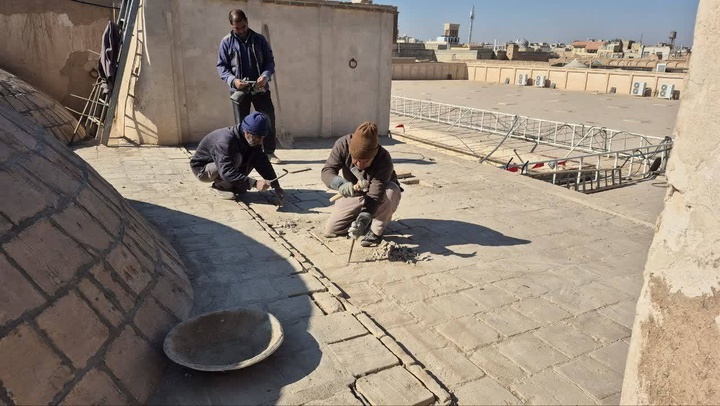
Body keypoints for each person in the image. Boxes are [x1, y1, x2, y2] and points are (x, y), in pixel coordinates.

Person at [321, 122, 402, 247]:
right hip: (356, 192)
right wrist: (340, 184)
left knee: (392, 191)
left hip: (381, 194)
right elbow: (327, 171)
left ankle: (375, 232)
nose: (359, 165)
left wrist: (364, 217)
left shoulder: (383, 159)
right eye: (356, 159)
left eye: (365, 161)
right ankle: (364, 219)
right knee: (332, 229)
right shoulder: (342, 145)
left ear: (373, 156)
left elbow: (375, 195)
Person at [216, 9, 281, 164]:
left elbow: (270, 62)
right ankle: (245, 154)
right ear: (231, 26)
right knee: (242, 124)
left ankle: (270, 152)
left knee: (268, 119)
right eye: (237, 28)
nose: (241, 30)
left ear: (247, 21)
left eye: (243, 26)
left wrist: (265, 76)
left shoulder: (259, 40)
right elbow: (221, 67)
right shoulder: (226, 42)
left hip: (260, 88)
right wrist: (233, 81)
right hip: (239, 90)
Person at [190, 112, 284, 203]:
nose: (260, 142)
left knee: (254, 156)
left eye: (262, 138)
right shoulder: (225, 141)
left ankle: (231, 185)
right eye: (258, 138)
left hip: (221, 165)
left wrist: (276, 185)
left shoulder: (252, 138)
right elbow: (226, 171)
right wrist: (254, 183)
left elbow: (262, 162)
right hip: (203, 170)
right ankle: (219, 187)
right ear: (247, 132)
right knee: (236, 158)